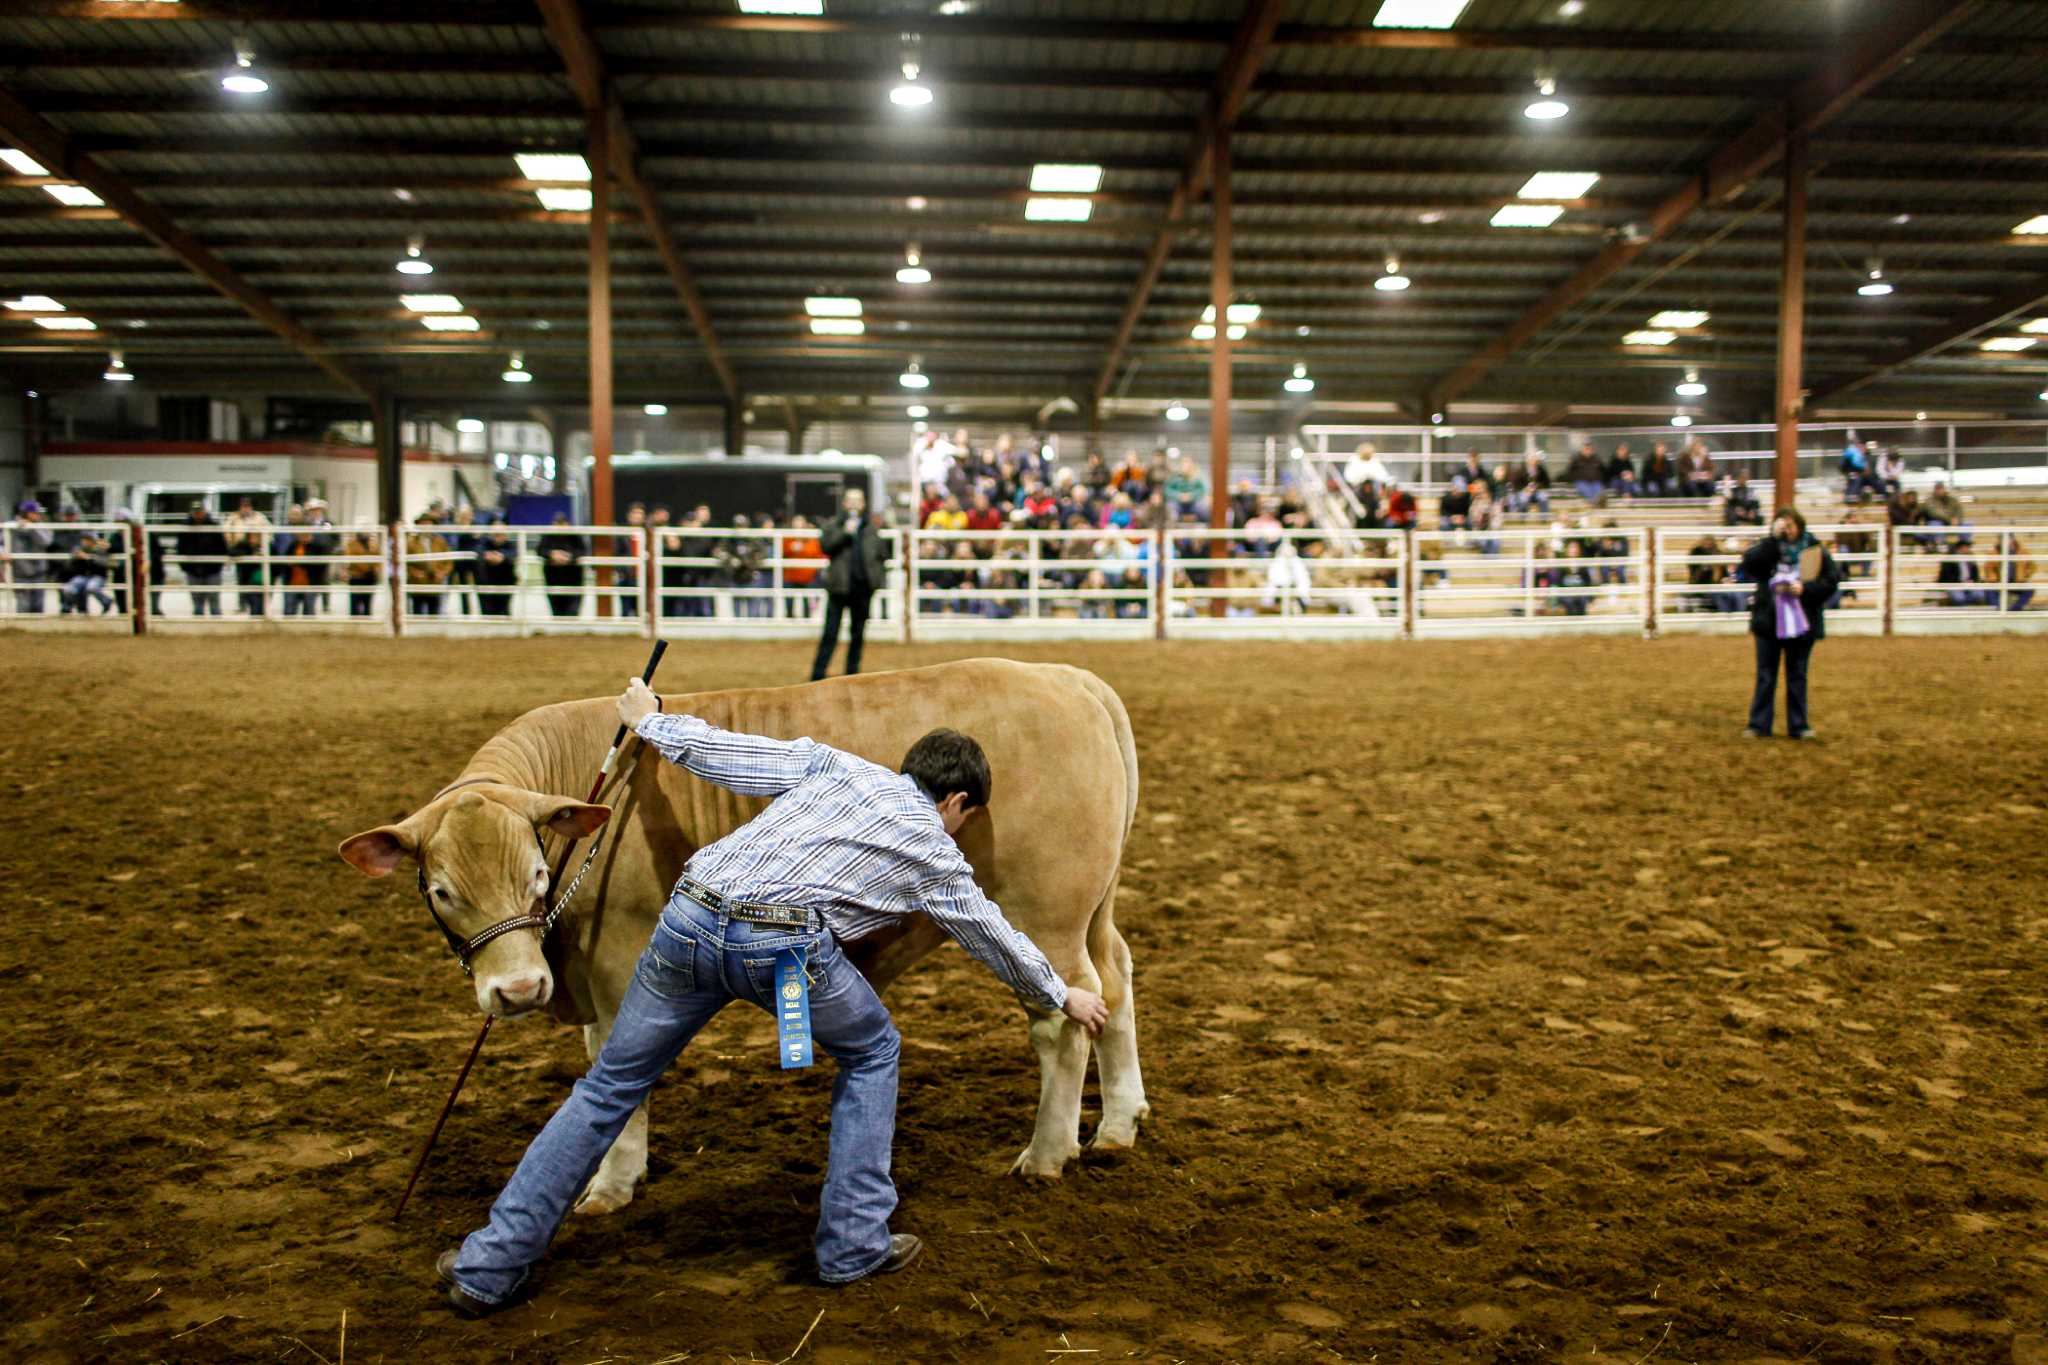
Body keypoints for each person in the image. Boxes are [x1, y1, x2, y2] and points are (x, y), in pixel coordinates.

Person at [437, 689, 1110, 1315]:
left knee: (609, 1084)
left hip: (689, 917)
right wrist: (1061, 992)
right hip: (784, 946)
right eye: (967, 818)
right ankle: (852, 1243)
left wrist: (649, 719)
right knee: (874, 1049)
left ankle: (488, 1265)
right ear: (958, 800)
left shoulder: (834, 764)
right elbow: (991, 933)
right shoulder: (935, 851)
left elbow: (724, 754)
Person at [1739, 506, 1841, 741]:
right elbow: (1750, 565)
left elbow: (1831, 580)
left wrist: (1806, 590)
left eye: (1790, 525)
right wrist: (1772, 540)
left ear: (1800, 526)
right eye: (1782, 525)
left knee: (1797, 674)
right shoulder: (1768, 549)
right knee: (1766, 675)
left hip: (1801, 623)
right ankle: (1759, 724)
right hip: (1769, 622)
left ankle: (1798, 725)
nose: (1787, 530)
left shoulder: (1815, 550)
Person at [811, 487, 889, 680]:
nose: (854, 504)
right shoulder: (833, 525)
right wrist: (845, 533)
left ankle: (852, 675)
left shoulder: (871, 529)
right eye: (850, 500)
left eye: (858, 500)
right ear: (844, 503)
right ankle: (818, 674)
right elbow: (826, 547)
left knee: (858, 633)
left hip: (862, 589)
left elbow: (881, 555)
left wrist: (876, 579)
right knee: (830, 633)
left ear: (863, 504)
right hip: (839, 587)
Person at [223, 496, 272, 617]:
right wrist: (231, 545)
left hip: (256, 552)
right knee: (241, 579)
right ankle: (242, 604)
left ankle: (259, 605)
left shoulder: (259, 517)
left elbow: (269, 532)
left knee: (257, 580)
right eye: (243, 506)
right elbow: (226, 532)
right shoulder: (233, 518)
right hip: (240, 551)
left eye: (248, 506)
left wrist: (263, 546)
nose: (245, 508)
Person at [174, 504, 226, 616]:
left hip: (212, 569)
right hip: (193, 569)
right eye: (196, 512)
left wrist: (218, 565)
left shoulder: (214, 526)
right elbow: (180, 548)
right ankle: (199, 621)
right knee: (197, 600)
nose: (198, 514)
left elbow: (222, 547)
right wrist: (185, 566)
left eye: (200, 511)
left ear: (204, 511)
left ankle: (216, 625)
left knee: (214, 599)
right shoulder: (185, 527)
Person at [4, 499, 54, 614]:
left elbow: (46, 542)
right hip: (20, 572)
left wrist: (31, 528)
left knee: (38, 605)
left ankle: (38, 631)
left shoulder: (42, 527)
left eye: (38, 512)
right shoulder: (12, 526)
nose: (38, 515)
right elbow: (1, 541)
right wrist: (2, 552)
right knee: (23, 606)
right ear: (25, 513)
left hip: (39, 572)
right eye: (34, 513)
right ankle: (21, 631)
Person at [540, 514, 587, 619]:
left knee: (572, 611)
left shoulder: (575, 537)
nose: (560, 526)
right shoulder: (547, 536)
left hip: (573, 580)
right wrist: (552, 554)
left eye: (563, 523)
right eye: (557, 523)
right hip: (553, 579)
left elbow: (583, 550)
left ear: (568, 524)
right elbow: (540, 550)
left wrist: (569, 556)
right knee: (556, 612)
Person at [474, 521, 519, 618]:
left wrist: (502, 556)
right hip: (486, 583)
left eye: (500, 534)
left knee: (504, 612)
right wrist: (487, 555)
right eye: (495, 534)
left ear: (505, 534)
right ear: (490, 534)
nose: (497, 537)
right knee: (487, 613)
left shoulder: (510, 545)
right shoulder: (484, 543)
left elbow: (514, 554)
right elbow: (478, 550)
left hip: (505, 582)